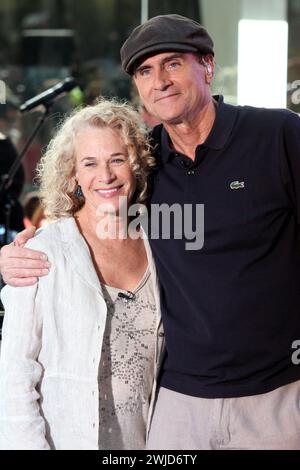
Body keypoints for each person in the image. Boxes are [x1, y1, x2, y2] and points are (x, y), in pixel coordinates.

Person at [1, 14, 300, 450]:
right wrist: (13, 256)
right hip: (178, 403)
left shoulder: (277, 135)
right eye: (145, 71)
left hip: (274, 396)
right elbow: (95, 199)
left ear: (208, 66)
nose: (159, 80)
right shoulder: (148, 161)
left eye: (173, 63)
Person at [0, 98, 164, 450]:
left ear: (136, 165)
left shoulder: (159, 247)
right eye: (89, 163)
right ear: (73, 174)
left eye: (117, 159)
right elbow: (15, 376)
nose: (105, 176)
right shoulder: (44, 251)